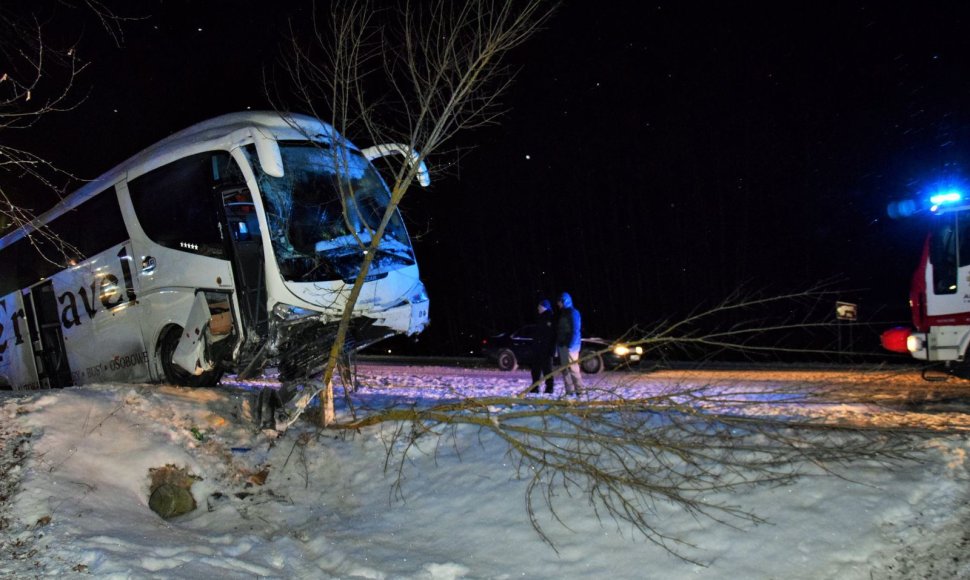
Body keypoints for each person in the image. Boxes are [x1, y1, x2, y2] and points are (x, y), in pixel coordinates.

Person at [555, 292, 584, 397]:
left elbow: (576, 330)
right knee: (565, 370)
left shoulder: (573, 313)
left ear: (564, 301)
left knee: (573, 369)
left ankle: (579, 391)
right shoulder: (563, 314)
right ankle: (569, 392)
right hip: (562, 345)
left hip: (571, 347)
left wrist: (570, 344)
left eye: (559, 302)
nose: (558, 304)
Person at [530, 299, 556, 394]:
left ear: (544, 307)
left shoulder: (550, 318)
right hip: (538, 349)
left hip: (546, 349)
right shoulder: (540, 318)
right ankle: (535, 387)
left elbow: (553, 336)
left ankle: (549, 388)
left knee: (547, 370)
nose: (538, 308)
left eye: (539, 306)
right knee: (535, 369)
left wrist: (552, 350)